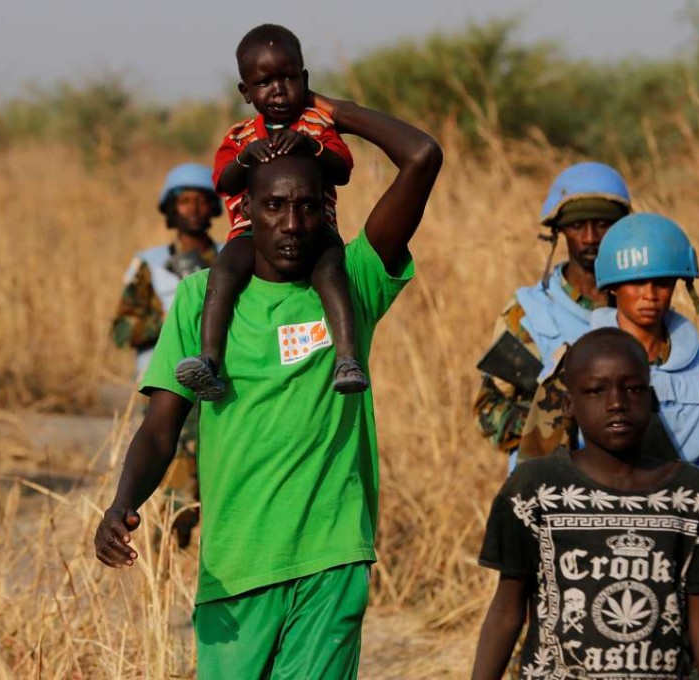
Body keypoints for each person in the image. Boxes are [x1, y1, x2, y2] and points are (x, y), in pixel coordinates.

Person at [95, 93, 442, 677]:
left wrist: (334, 112)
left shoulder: (352, 284)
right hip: (236, 566)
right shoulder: (201, 301)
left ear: (325, 211)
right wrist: (123, 502)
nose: (292, 223)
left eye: (308, 206)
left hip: (330, 558)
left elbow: (422, 157)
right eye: (275, 205)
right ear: (246, 210)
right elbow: (160, 428)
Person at [472, 328, 699, 680]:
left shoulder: (689, 494)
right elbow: (507, 606)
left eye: (633, 389)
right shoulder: (533, 491)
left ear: (651, 398)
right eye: (596, 390)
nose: (617, 403)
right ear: (569, 405)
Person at [517, 213, 699, 566]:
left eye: (662, 282)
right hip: (595, 554)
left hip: (686, 551)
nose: (649, 295)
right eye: (636, 282)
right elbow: (535, 473)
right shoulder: (576, 365)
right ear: (613, 287)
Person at [174, 24, 365, 401]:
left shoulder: (317, 125)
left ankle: (347, 359)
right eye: (264, 83)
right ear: (246, 92)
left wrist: (312, 147)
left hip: (317, 229)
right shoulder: (240, 137)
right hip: (251, 233)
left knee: (331, 270)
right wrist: (245, 158)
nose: (278, 89)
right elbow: (224, 182)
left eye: (289, 77)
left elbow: (342, 169)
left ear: (305, 79)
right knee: (225, 270)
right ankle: (209, 359)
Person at [473, 163, 631, 471]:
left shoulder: (641, 308)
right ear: (558, 231)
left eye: (602, 225)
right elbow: (488, 413)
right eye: (577, 226)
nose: (589, 237)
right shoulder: (530, 314)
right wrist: (559, 420)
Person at [110, 162, 222, 547]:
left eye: (200, 201)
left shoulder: (235, 258)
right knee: (169, 489)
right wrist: (177, 320)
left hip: (221, 390)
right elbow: (123, 329)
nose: (192, 209)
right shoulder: (150, 265)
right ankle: (165, 564)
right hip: (167, 387)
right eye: (184, 201)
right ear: (171, 209)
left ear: (213, 207)